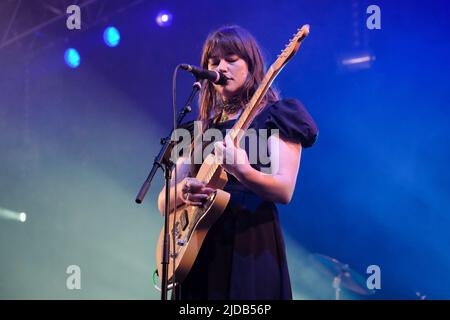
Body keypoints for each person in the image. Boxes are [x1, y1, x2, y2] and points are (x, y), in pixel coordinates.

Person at [157, 25, 318, 300]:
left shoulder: (276, 116)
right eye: (214, 62)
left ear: (251, 65)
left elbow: (284, 190)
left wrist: (242, 170)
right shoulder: (196, 130)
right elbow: (163, 201)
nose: (222, 67)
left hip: (250, 246)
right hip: (196, 248)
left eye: (232, 60)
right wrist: (183, 189)